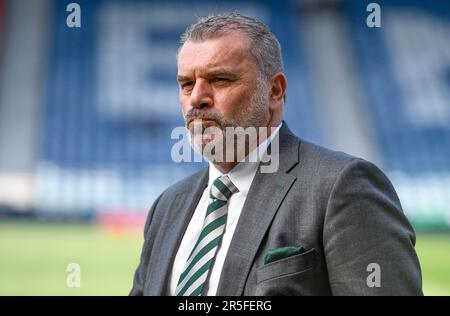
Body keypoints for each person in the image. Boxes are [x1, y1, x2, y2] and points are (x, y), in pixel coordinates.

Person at [130, 13, 422, 296]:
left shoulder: (342, 187)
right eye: (186, 84)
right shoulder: (167, 206)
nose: (196, 98)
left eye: (219, 79)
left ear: (274, 91)